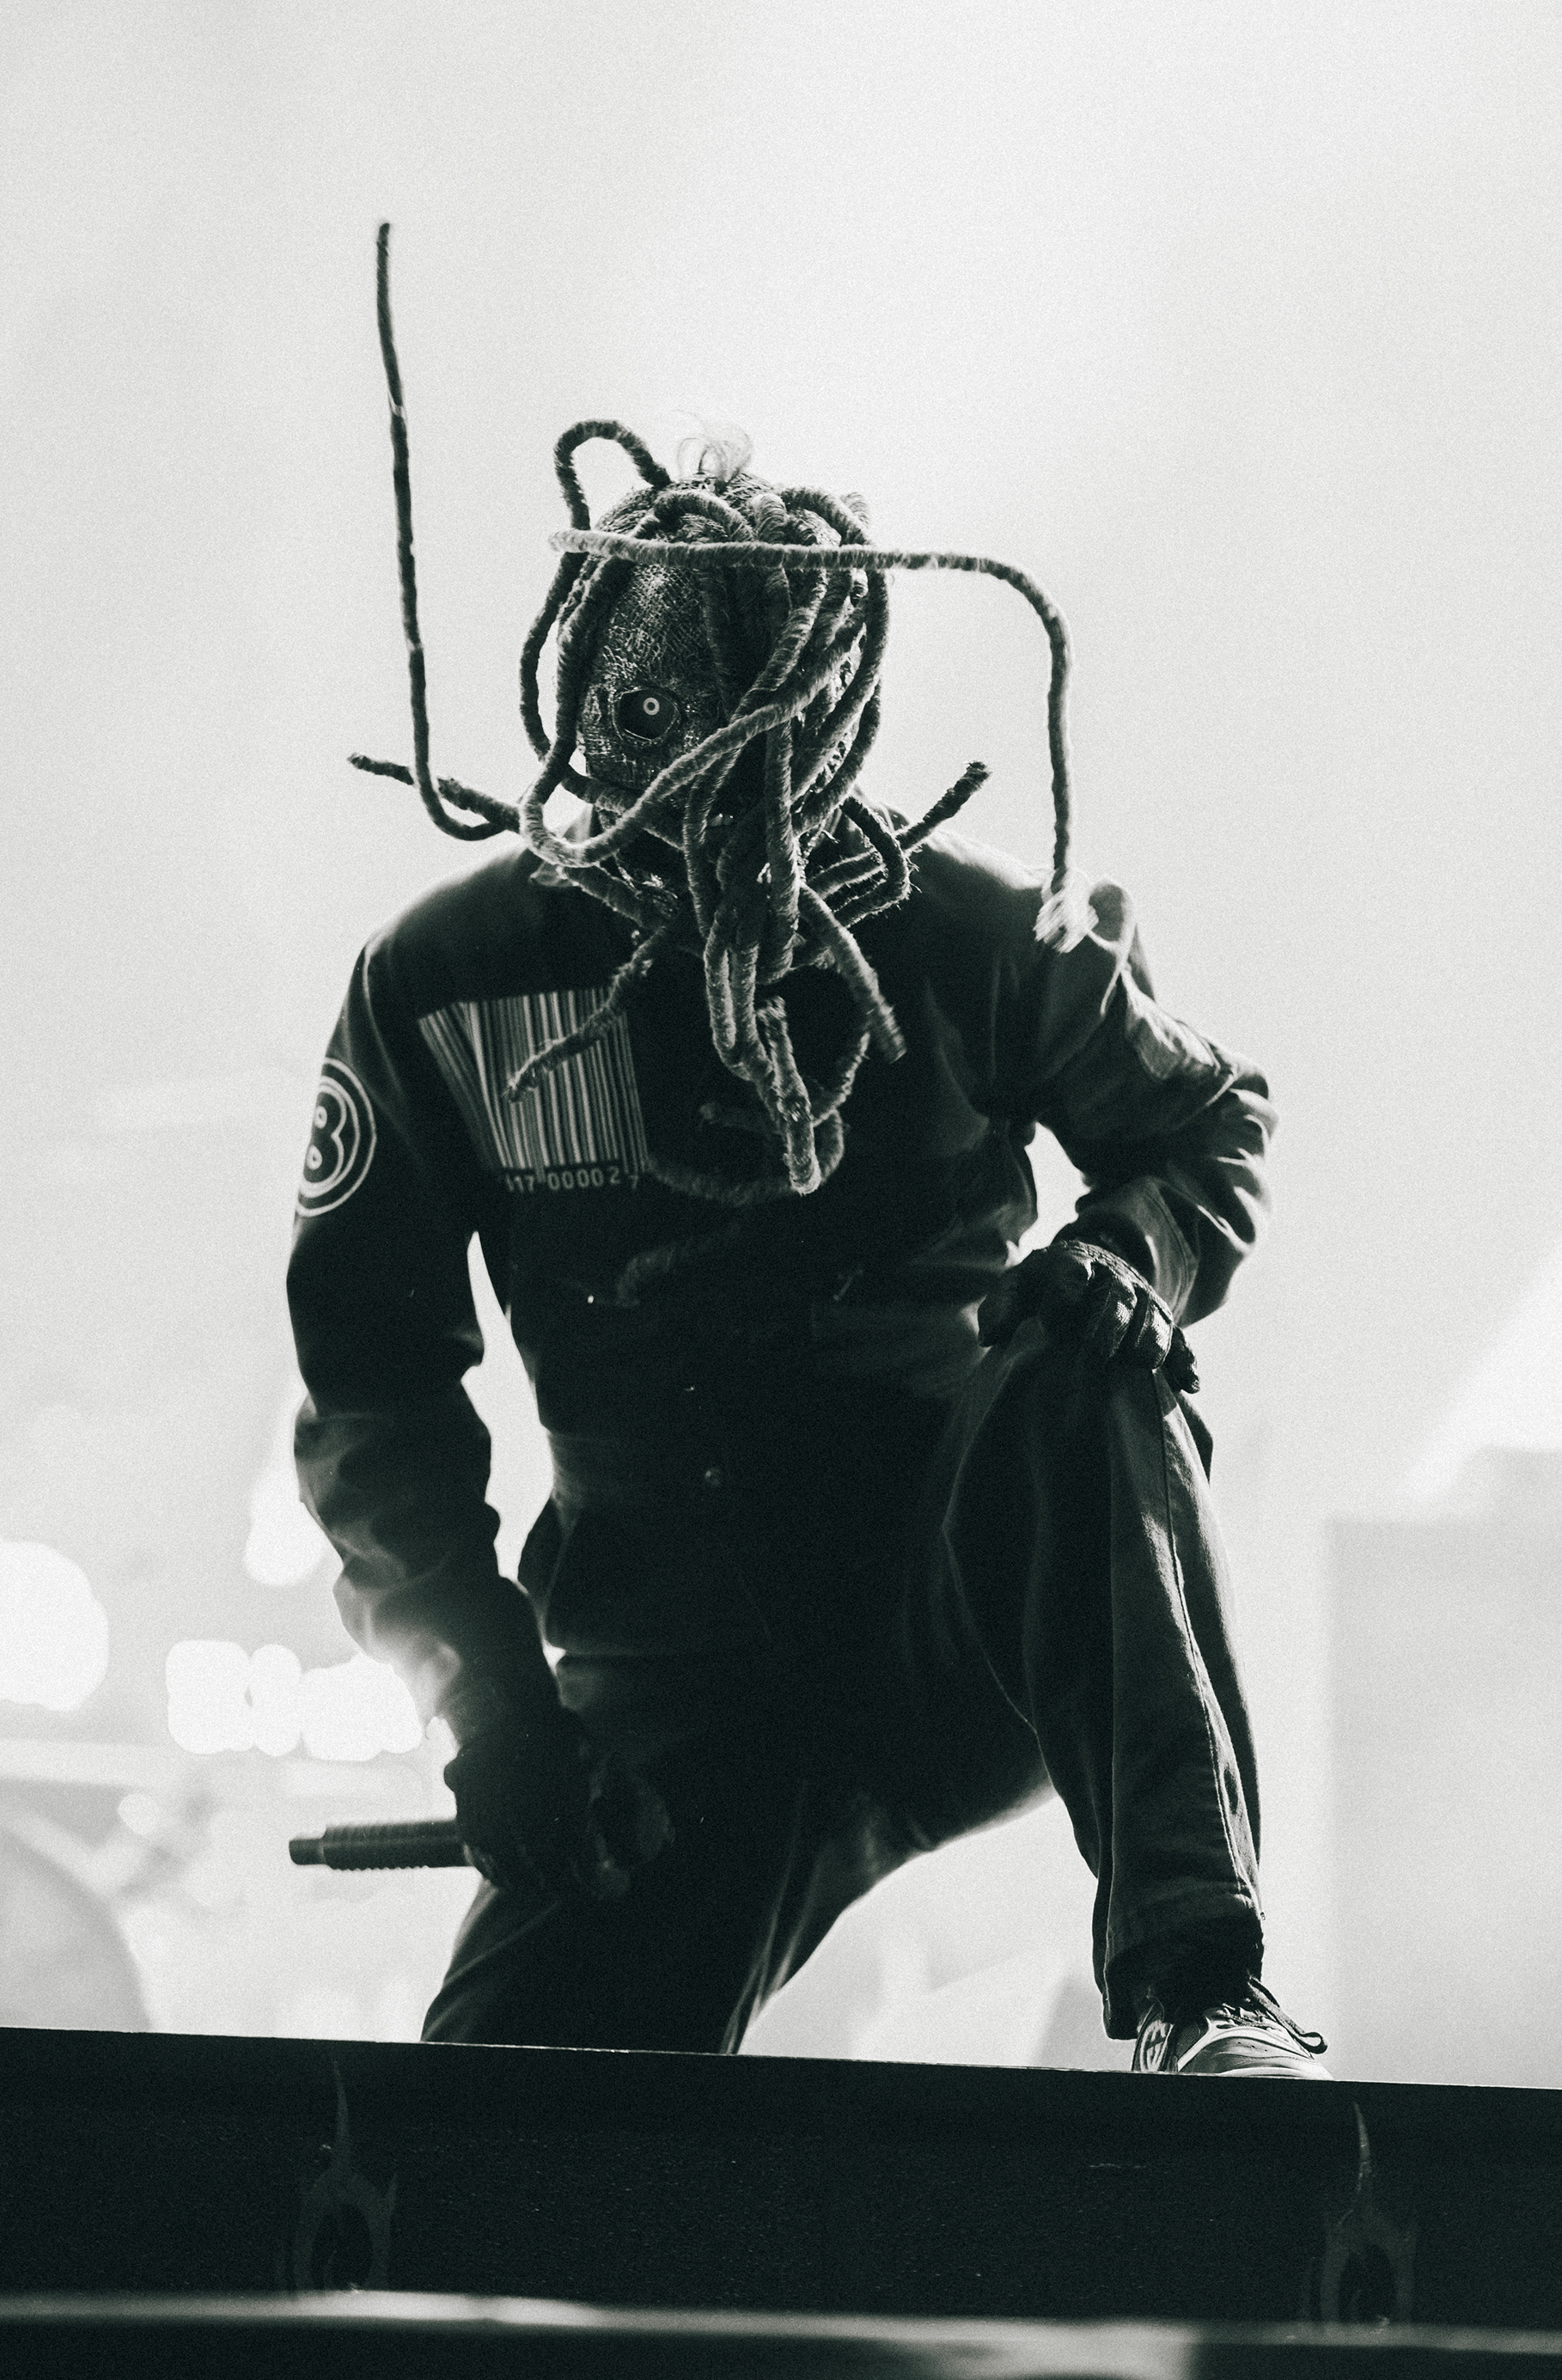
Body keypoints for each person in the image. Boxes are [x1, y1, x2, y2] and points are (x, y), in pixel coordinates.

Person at [287, 390, 1327, 2078]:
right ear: (586, 706)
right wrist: (491, 1705)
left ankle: (1203, 1984)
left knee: (1093, 1369)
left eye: (742, 742)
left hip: (954, 1617)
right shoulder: (446, 984)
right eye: (657, 727)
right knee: (484, 2129)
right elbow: (374, 1377)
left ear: (819, 722)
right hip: (676, 1678)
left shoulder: (971, 930)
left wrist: (1125, 1262)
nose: (701, 797)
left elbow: (1205, 1124)